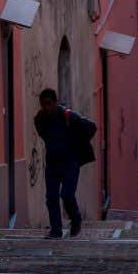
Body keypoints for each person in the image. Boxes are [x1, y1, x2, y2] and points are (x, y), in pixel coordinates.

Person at [33, 88, 96, 239]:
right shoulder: (40, 119)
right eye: (43, 104)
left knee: (67, 194)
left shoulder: (69, 116)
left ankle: (76, 218)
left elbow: (91, 127)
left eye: (48, 103)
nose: (46, 107)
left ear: (55, 102)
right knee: (51, 196)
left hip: (70, 162)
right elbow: (44, 135)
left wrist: (77, 144)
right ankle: (56, 230)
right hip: (53, 162)